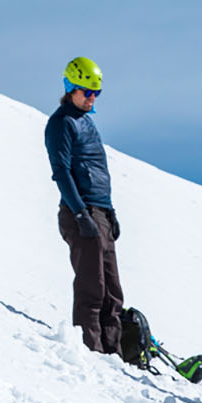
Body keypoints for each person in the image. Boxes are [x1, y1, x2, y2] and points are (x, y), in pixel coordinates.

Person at [44, 56, 124, 356]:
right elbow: (61, 171)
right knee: (93, 287)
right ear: (71, 88)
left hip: (100, 211)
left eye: (96, 93)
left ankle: (113, 353)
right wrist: (80, 213)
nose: (92, 97)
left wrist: (110, 211)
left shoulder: (85, 123)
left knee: (113, 291)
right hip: (82, 213)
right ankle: (92, 351)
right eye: (86, 91)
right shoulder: (61, 123)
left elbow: (97, 170)